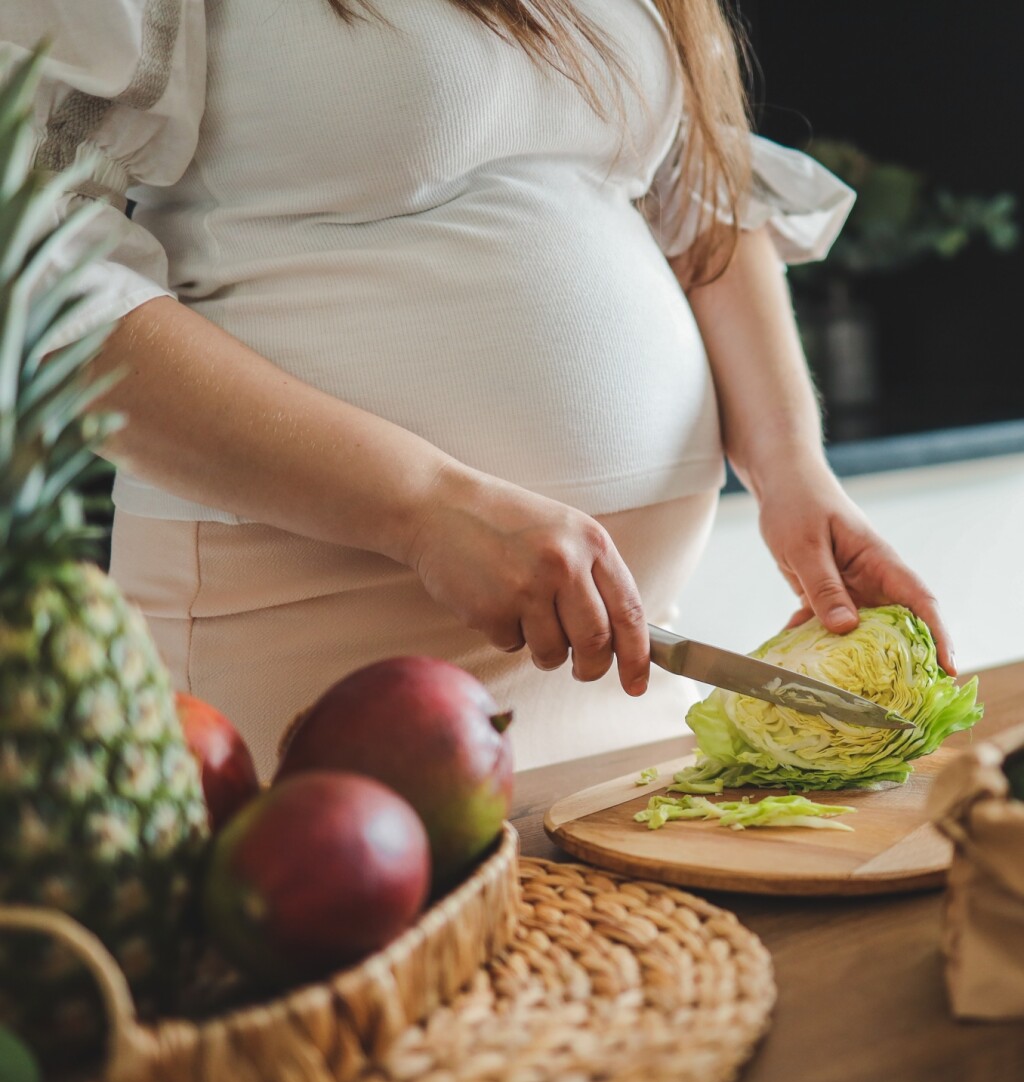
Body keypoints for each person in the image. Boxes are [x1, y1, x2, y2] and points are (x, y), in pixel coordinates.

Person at [9, 0, 955, 781]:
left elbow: (698, 186)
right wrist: (425, 507)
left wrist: (794, 469)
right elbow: (33, 254)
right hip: (311, 684)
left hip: (627, 677)